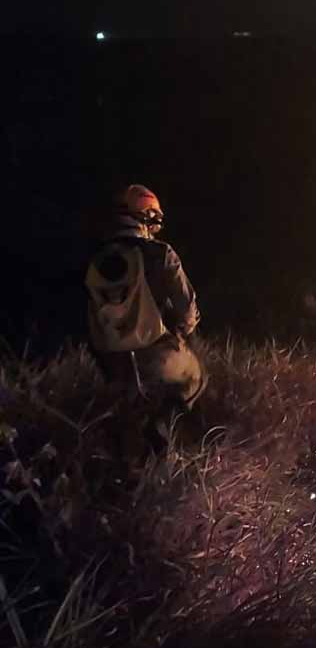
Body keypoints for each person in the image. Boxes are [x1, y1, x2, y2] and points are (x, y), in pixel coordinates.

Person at [85, 185, 206, 451]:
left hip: (108, 356)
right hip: (153, 350)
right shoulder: (160, 254)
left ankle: (116, 451)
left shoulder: (95, 256)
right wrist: (184, 333)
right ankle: (166, 431)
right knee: (194, 379)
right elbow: (187, 308)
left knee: (124, 407)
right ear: (146, 215)